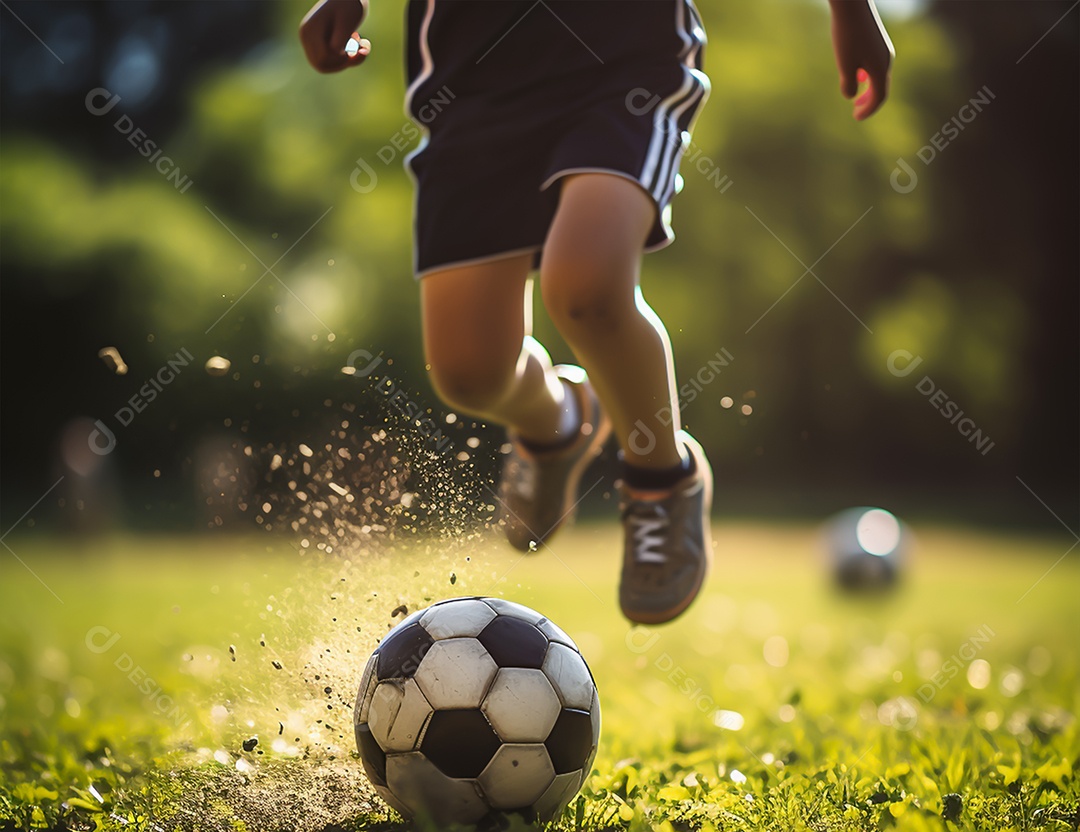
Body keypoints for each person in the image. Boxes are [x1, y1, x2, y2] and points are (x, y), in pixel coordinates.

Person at [300, 0, 894, 624]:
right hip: (471, 77)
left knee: (585, 288)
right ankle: (556, 423)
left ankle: (661, 477)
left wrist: (851, 9)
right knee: (468, 373)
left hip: (620, 57)